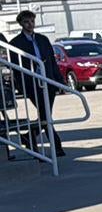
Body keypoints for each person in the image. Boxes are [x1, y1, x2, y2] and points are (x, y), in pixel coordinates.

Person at [8, 10, 65, 157]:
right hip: (32, 83)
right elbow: (14, 66)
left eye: (32, 21)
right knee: (45, 114)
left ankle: (29, 135)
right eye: (27, 22)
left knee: (45, 115)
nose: (30, 24)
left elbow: (52, 61)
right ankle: (56, 145)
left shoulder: (42, 39)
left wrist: (59, 81)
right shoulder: (16, 43)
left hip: (48, 80)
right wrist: (21, 85)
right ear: (21, 23)